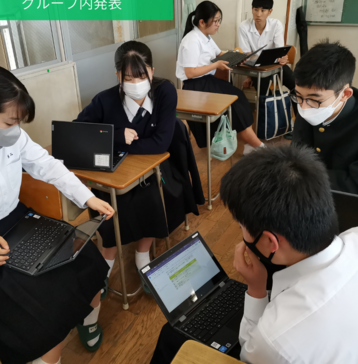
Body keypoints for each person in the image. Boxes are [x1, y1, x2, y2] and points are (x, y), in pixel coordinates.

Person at [0, 65, 115, 364]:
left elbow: (47, 165)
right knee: (40, 316)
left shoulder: (8, 135)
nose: (16, 130)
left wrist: (88, 197)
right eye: (9, 122)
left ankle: (88, 320)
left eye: (19, 122)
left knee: (89, 263)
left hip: (18, 220)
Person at [152, 145, 358, 364]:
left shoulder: (273, 341)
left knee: (170, 335)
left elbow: (249, 352)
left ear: (270, 242)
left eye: (241, 226)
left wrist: (257, 289)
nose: (241, 232)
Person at [76, 40, 177, 296]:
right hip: (114, 173)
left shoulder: (165, 91)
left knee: (150, 196)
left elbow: (161, 143)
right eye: (128, 78)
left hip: (153, 169)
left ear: (152, 71)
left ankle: (142, 256)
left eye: (141, 76)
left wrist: (117, 146)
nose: (135, 83)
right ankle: (106, 262)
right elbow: (77, 132)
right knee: (111, 206)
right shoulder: (104, 100)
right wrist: (115, 136)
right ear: (117, 75)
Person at [176, 0, 264, 155]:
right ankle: (259, 147)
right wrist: (216, 65)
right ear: (202, 22)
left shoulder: (206, 37)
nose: (218, 25)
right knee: (235, 104)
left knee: (239, 97)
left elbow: (219, 54)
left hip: (207, 82)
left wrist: (237, 58)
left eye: (219, 21)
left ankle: (250, 144)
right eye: (215, 21)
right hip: (195, 86)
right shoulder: (192, 40)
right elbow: (190, 73)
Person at [291, 40, 358, 194]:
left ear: (345, 94)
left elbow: (354, 183)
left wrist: (299, 177)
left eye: (315, 100)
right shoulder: (308, 104)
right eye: (298, 96)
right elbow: (297, 154)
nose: (304, 107)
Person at [239, 0, 295, 94]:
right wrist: (249, 76)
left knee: (296, 85)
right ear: (252, 9)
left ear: (270, 11)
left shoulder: (276, 25)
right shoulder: (244, 26)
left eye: (263, 10)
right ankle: (266, 103)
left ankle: (298, 103)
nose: (258, 14)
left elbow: (280, 51)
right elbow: (246, 54)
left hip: (275, 65)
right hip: (257, 68)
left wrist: (283, 58)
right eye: (256, 9)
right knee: (263, 92)